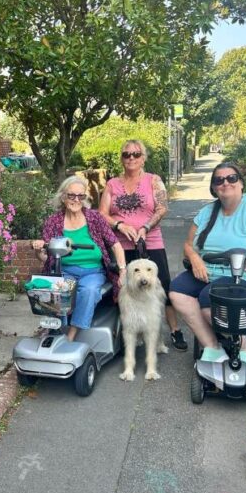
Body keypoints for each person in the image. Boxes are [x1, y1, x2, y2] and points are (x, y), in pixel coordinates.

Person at [168, 162, 246, 365]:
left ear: (241, 183)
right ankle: (213, 347)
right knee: (177, 290)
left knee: (210, 297)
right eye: (219, 180)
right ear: (214, 188)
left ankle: (245, 350)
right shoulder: (207, 212)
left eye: (231, 178)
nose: (225, 183)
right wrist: (195, 258)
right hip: (212, 272)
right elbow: (188, 245)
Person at [99, 139, 187, 350]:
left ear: (143, 158)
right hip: (121, 246)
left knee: (162, 285)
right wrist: (119, 225)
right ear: (121, 158)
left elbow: (162, 208)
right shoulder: (112, 184)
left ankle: (174, 330)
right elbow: (102, 214)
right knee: (125, 289)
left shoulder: (153, 180)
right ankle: (129, 332)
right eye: (126, 154)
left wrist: (145, 227)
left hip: (151, 242)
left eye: (136, 154)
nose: (131, 158)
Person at [31, 176, 126, 341]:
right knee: (59, 292)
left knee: (88, 290)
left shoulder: (95, 218)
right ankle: (58, 332)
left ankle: (71, 335)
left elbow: (115, 245)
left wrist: (123, 271)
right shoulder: (53, 221)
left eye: (80, 196)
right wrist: (39, 249)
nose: (76, 200)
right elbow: (46, 258)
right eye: (71, 195)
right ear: (63, 196)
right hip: (64, 270)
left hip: (93, 271)